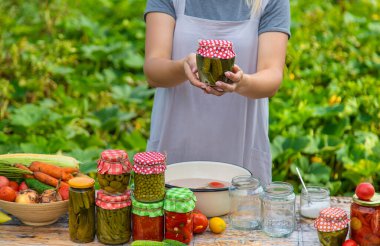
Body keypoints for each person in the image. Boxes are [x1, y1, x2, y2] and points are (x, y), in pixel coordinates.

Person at [143, 0, 290, 185]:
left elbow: (272, 77)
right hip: (175, 147)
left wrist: (242, 83)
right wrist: (183, 67)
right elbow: (153, 69)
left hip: (241, 148)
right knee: (175, 211)